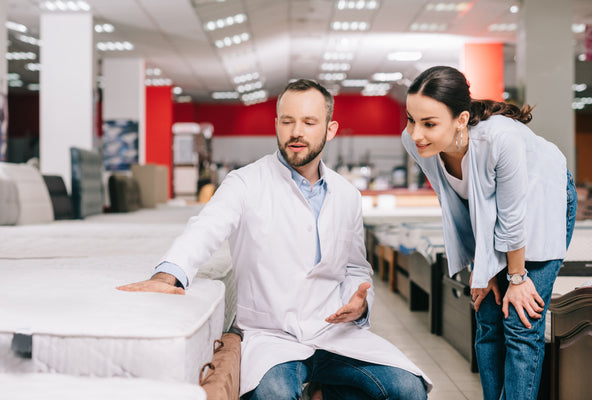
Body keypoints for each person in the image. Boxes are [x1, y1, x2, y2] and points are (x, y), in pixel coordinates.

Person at [118, 79, 431, 399]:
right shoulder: (245, 182)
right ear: (277, 125)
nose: (297, 131)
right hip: (271, 336)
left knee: (409, 389)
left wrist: (359, 305)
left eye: (309, 122)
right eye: (287, 121)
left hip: (334, 334)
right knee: (274, 397)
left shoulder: (347, 195)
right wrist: (167, 275)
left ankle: (326, 389)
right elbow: (206, 227)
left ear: (330, 128)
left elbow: (355, 268)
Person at [401, 66, 577, 400]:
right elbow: (458, 205)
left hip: (543, 201)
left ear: (461, 119)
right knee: (487, 317)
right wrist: (483, 270)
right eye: (411, 119)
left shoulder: (500, 139)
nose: (415, 134)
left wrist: (516, 277)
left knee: (519, 322)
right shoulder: (416, 144)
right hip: (500, 216)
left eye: (429, 123)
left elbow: (513, 215)